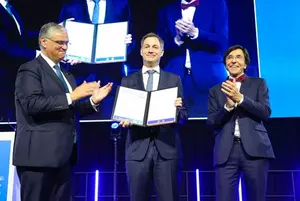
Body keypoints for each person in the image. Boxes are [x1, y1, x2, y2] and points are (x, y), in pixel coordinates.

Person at [13, 22, 113, 201]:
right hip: (38, 157)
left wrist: (92, 101)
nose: (64, 47)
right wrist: (73, 95)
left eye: (67, 43)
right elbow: (32, 104)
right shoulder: (30, 69)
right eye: (59, 42)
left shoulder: (66, 75)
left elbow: (70, 110)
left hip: (64, 157)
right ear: (44, 42)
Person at [119, 33, 188, 201]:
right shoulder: (128, 80)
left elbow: (184, 116)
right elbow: (121, 113)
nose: (151, 50)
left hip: (166, 150)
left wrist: (177, 111)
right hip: (137, 150)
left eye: (155, 47)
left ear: (162, 52)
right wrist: (123, 119)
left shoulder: (174, 79)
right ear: (141, 51)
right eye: (147, 47)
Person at [207, 45, 275, 201]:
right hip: (226, 152)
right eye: (229, 58)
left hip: (255, 150)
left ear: (245, 64)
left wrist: (241, 99)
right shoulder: (215, 90)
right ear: (225, 64)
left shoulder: (259, 84)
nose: (233, 60)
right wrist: (227, 107)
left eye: (238, 57)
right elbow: (211, 122)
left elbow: (265, 112)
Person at [58, 0, 133, 119]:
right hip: (79, 80)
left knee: (108, 126)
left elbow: (131, 39)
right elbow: (59, 43)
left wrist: (125, 46)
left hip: (110, 79)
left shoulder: (120, 5)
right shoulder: (70, 7)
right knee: (80, 126)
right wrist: (67, 55)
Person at [157, 0, 228, 117]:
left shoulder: (216, 4)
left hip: (208, 77)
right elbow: (160, 49)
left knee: (211, 126)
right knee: (175, 128)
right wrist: (177, 39)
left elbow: (222, 42)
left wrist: (195, 33)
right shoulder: (166, 10)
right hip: (175, 79)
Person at [0, 0, 39, 119]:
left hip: (14, 79)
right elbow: (4, 49)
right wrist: (39, 54)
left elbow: (22, 36)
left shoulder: (10, 7)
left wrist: (52, 32)